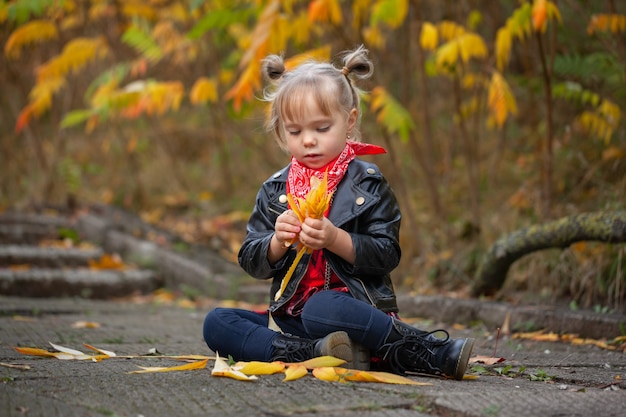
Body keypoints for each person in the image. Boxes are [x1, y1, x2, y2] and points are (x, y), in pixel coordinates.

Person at [203, 45, 474, 380]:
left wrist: (336, 239)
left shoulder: (367, 183)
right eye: (295, 131)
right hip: (291, 318)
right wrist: (276, 242)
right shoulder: (276, 189)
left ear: (349, 122)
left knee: (322, 307)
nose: (308, 141)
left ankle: (422, 349)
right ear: (280, 131)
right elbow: (250, 256)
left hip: (351, 309)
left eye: (321, 128)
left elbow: (386, 254)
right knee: (217, 322)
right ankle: (313, 353)